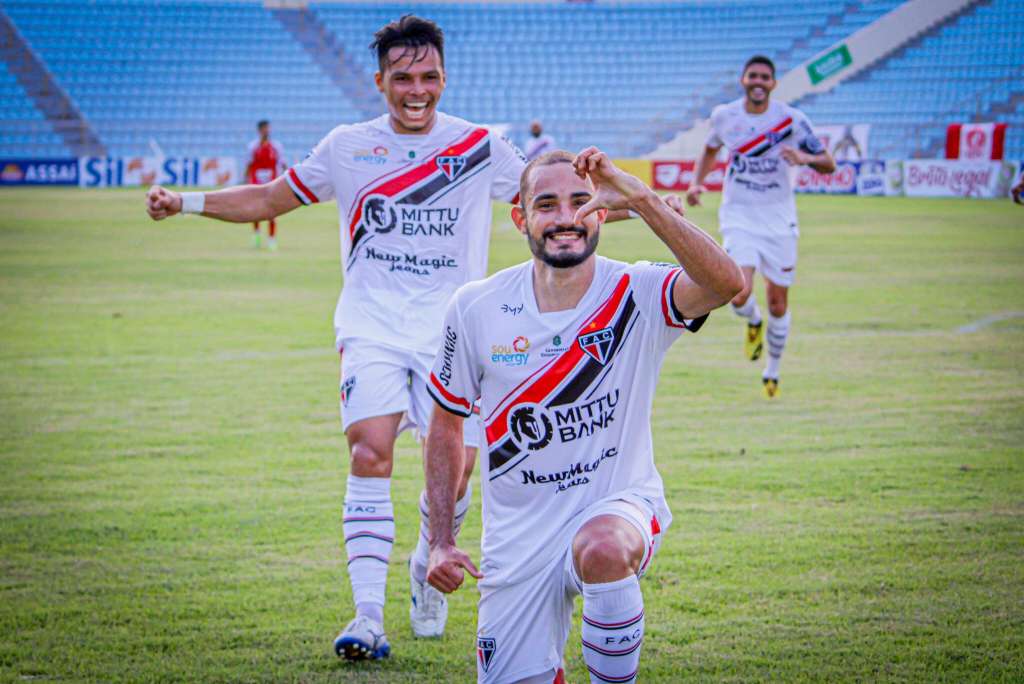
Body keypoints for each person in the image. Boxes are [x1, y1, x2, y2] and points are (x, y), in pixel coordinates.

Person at [145, 15, 529, 661]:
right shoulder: (348, 146)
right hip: (372, 324)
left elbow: (550, 196)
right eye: (402, 78)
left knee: (459, 471)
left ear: (444, 78)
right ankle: (367, 617)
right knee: (369, 452)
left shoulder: (479, 147)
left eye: (429, 77)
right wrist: (184, 202)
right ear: (380, 81)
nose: (417, 90)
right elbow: (271, 197)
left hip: (455, 330)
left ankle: (428, 559)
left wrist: (636, 198)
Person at [423, 148, 743, 683]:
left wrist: (642, 200)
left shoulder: (637, 290)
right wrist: (440, 539)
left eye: (581, 201)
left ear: (601, 212)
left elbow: (724, 284)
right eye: (546, 205)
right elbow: (446, 423)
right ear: (520, 218)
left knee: (601, 548)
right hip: (517, 540)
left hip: (617, 506)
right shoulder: (475, 307)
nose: (566, 217)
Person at [687, 55, 835, 397]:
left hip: (780, 219)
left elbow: (829, 162)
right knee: (738, 291)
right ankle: (752, 320)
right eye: (752, 76)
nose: (758, 82)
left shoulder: (791, 120)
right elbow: (710, 150)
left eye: (765, 77)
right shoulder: (725, 116)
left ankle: (773, 371)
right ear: (743, 80)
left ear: (773, 83)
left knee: (778, 302)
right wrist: (697, 182)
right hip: (738, 214)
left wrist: (806, 158)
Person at [244, 120, 287, 250]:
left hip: (272, 184)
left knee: (272, 211)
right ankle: (256, 235)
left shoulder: (276, 146)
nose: (266, 131)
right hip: (256, 184)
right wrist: (246, 180)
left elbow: (283, 163)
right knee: (255, 210)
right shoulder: (252, 147)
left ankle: (271, 239)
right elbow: (248, 165)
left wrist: (287, 178)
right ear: (259, 130)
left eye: (268, 128)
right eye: (264, 128)